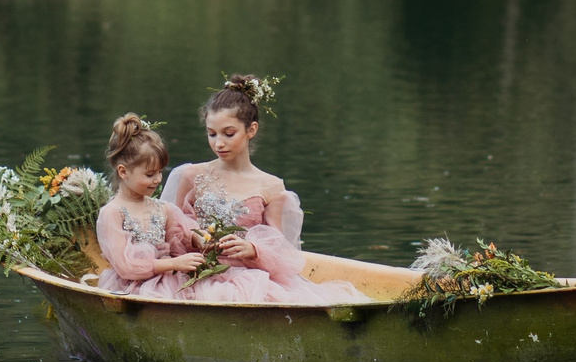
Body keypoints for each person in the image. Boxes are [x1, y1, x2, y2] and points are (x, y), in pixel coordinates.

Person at [161, 74, 370, 306]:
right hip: (194, 274)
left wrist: (252, 249)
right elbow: (169, 228)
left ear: (251, 130)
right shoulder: (192, 176)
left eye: (229, 134)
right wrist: (195, 236)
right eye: (212, 134)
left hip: (247, 278)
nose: (218, 143)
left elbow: (280, 250)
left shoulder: (271, 186)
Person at [92, 114, 208, 299]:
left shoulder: (163, 208)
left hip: (170, 283)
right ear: (123, 172)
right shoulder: (112, 213)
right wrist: (172, 264)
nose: (158, 180)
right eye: (149, 174)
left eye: (160, 172)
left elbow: (182, 236)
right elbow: (126, 267)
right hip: (131, 288)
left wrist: (198, 239)